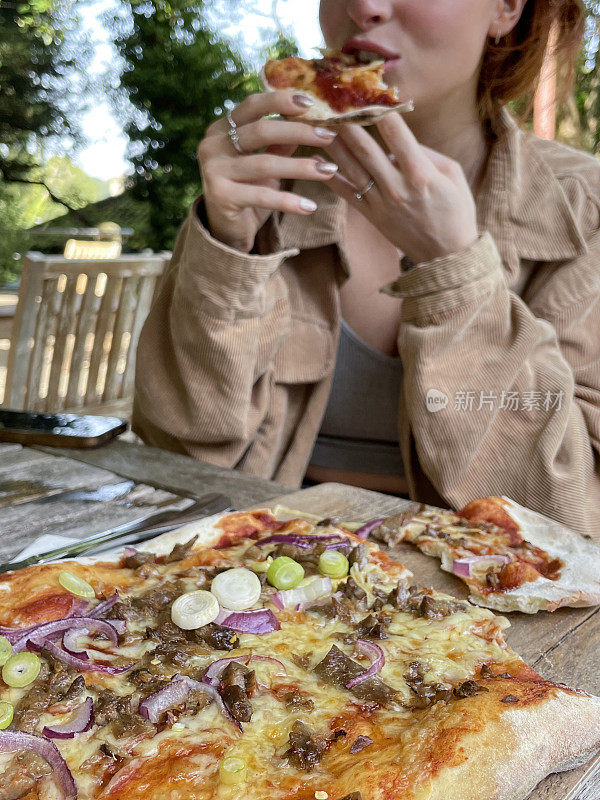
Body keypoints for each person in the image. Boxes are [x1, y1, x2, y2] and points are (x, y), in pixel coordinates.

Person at [132, 0, 600, 538]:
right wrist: (226, 251)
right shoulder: (266, 185)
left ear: (506, 8)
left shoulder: (585, 212)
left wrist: (457, 275)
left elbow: (570, 519)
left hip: (484, 597)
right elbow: (179, 460)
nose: (364, 7)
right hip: (264, 565)